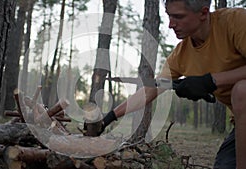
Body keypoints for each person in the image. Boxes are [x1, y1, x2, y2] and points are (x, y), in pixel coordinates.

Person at [94, 0, 246, 168]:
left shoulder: (235, 21)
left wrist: (212, 80)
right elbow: (150, 90)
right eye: (169, 16)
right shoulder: (180, 56)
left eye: (178, 17)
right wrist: (108, 118)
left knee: (242, 90)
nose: (170, 24)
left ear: (203, 13)